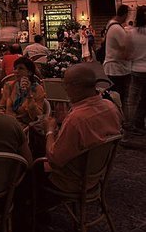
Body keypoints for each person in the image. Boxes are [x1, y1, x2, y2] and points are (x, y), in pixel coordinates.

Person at [43, 64, 122, 192]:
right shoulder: (111, 106)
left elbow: (54, 160)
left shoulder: (76, 119)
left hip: (71, 180)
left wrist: (49, 130)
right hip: (96, 172)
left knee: (27, 168)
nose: (64, 89)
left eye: (65, 84)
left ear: (76, 86)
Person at [0, 57, 45, 126]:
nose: (16, 71)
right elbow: (1, 107)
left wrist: (29, 94)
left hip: (26, 126)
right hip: (8, 123)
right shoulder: (9, 86)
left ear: (29, 72)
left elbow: (37, 117)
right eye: (15, 68)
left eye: (21, 68)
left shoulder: (37, 89)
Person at [103, 4, 131, 118]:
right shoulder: (117, 28)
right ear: (125, 14)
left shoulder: (111, 24)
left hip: (112, 66)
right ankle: (124, 118)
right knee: (123, 96)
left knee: (117, 95)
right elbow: (127, 48)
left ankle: (120, 117)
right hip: (117, 68)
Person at [126, 5, 146, 135]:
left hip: (135, 69)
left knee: (132, 99)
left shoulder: (131, 33)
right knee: (144, 98)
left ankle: (131, 124)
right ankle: (138, 122)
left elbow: (127, 53)